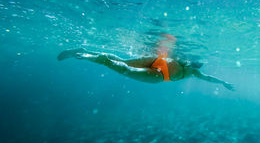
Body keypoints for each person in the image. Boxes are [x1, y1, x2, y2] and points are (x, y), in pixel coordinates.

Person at [57, 34, 234, 91]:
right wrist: (223, 82)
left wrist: (223, 82)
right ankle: (92, 57)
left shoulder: (185, 61)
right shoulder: (193, 71)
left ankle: (86, 51)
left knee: (123, 61)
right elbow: (209, 78)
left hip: (160, 61)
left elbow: (209, 77)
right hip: (159, 74)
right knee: (125, 69)